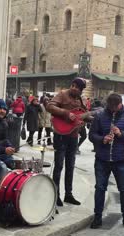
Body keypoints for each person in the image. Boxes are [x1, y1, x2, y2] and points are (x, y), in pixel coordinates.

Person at [88, 93, 124, 229]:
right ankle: (97, 217)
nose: (112, 110)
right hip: (102, 159)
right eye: (110, 107)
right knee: (100, 188)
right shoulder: (100, 116)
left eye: (115, 107)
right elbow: (91, 135)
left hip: (122, 160)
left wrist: (121, 134)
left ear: (120, 104)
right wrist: (102, 139)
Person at [46, 77, 89, 206]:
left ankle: (68, 195)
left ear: (81, 90)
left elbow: (83, 115)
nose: (74, 88)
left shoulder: (81, 100)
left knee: (70, 166)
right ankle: (56, 194)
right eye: (73, 85)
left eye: (77, 87)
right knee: (59, 165)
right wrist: (65, 113)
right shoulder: (62, 94)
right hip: (60, 134)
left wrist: (84, 120)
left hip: (73, 136)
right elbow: (50, 106)